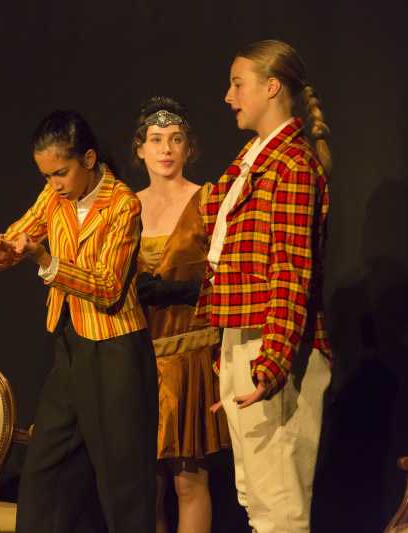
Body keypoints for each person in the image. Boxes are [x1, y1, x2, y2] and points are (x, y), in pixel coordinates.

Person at [0, 110, 157, 533]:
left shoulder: (123, 204)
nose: (54, 184)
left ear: (89, 159)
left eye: (60, 173)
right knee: (45, 469)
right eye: (46, 176)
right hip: (71, 342)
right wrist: (0, 249)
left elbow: (109, 287)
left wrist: (46, 260)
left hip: (115, 348)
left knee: (122, 477)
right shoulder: (55, 196)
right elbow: (23, 231)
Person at [197, 39, 332, 533]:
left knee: (279, 509)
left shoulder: (292, 165)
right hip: (243, 335)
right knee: (255, 499)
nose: (228, 96)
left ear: (272, 87)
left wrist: (270, 363)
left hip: (274, 342)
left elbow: (291, 272)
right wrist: (230, 353)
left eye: (238, 84)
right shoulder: (252, 159)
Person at [132, 96, 230, 533]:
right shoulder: (126, 206)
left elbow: (229, 273)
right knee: (146, 484)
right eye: (156, 139)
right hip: (139, 356)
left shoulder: (208, 200)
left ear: (190, 147)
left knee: (189, 480)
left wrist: (188, 290)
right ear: (140, 148)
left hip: (190, 356)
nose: (166, 149)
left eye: (175, 139)